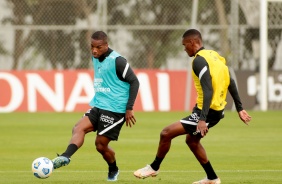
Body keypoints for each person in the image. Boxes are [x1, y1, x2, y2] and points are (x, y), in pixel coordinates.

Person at [133, 29, 251, 184]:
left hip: (207, 112)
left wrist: (202, 119)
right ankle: (212, 178)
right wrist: (240, 108)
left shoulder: (199, 61)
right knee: (192, 141)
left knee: (166, 133)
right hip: (214, 110)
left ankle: (154, 167)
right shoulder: (214, 56)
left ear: (193, 42)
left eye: (184, 45)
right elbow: (230, 80)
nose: (184, 49)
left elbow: (208, 89)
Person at [52, 31, 140, 181]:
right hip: (98, 105)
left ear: (106, 45)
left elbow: (134, 81)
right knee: (78, 128)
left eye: (98, 47)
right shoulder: (96, 57)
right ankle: (66, 157)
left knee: (100, 145)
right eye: (92, 46)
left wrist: (129, 108)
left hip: (115, 109)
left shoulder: (118, 61)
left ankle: (113, 169)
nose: (94, 50)